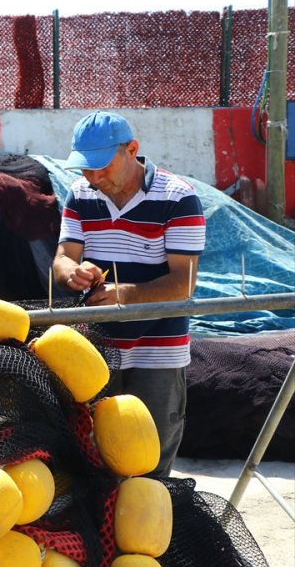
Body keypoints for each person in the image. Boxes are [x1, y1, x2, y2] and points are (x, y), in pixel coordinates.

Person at [52, 111, 206, 477]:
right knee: (93, 465)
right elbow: (62, 259)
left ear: (131, 150)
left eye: (102, 167)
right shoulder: (79, 193)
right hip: (96, 351)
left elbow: (184, 283)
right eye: (86, 168)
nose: (94, 177)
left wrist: (125, 294)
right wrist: (74, 273)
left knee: (150, 468)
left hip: (159, 353)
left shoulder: (178, 197)